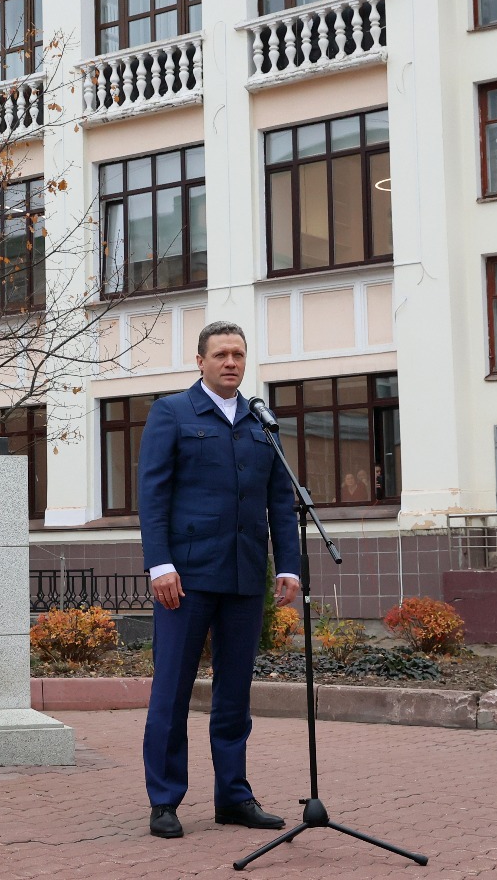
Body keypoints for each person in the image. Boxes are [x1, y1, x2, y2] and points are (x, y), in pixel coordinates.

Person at [138, 321, 300, 839]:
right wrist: (159, 563)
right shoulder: (173, 413)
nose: (231, 362)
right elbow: (153, 494)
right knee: (172, 691)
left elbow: (280, 499)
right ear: (201, 361)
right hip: (185, 577)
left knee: (235, 695)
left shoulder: (260, 421)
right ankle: (164, 800)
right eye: (221, 354)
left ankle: (233, 795)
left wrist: (290, 565)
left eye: (238, 354)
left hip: (244, 575)